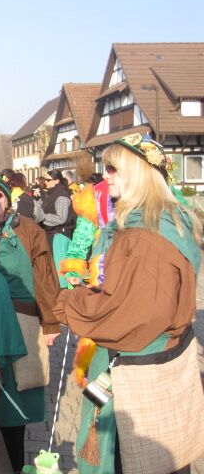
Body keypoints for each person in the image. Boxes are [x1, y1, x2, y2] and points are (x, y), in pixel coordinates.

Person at [55, 134, 203, 474]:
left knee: (129, 457)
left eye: (112, 168)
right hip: (141, 361)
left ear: (138, 173)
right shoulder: (152, 222)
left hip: (135, 371)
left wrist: (63, 303)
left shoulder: (145, 236)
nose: (104, 176)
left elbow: (126, 314)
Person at [0, 174, 60, 473]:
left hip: (21, 320)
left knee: (16, 398)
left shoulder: (28, 229)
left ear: (8, 200)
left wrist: (50, 323)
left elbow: (45, 277)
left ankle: (14, 464)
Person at [40, 169, 77, 287]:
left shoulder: (61, 195)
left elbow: (61, 218)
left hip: (59, 236)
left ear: (56, 180)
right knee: (55, 272)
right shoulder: (51, 193)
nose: (45, 182)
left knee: (61, 273)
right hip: (52, 235)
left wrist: (41, 217)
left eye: (48, 180)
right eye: (44, 180)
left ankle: (65, 294)